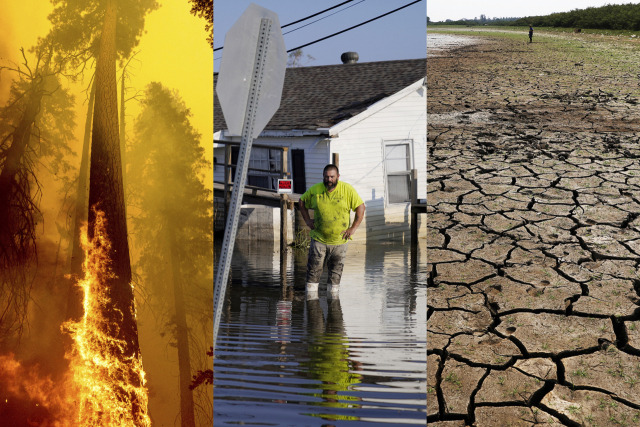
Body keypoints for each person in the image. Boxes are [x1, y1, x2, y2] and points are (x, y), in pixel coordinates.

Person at [298, 164, 365, 298]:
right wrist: (307, 220)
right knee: (313, 272)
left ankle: (334, 308)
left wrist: (353, 229)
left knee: (335, 275)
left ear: (338, 177)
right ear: (323, 177)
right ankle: (312, 305)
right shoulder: (316, 190)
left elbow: (361, 207)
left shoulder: (347, 190)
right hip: (319, 240)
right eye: (327, 177)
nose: (329, 179)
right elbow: (301, 202)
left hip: (340, 241)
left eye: (332, 177)